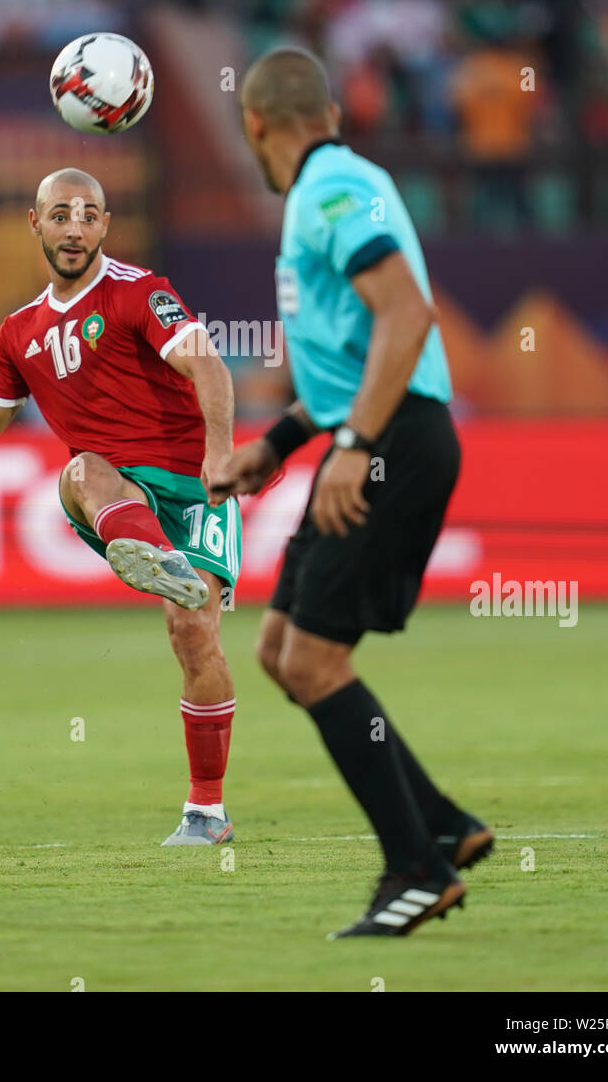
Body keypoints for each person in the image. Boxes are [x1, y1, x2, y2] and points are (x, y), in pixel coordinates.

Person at [0, 168, 240, 847]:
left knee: (193, 635)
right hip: (118, 488)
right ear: (35, 223)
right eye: (60, 214)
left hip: (192, 481)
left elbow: (208, 366)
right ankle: (158, 557)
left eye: (89, 215)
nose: (74, 228)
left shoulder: (139, 291)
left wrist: (221, 453)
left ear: (105, 226)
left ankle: (206, 812)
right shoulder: (18, 334)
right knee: (80, 470)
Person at [211, 49, 492, 937]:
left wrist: (357, 445)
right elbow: (351, 349)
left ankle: (416, 869)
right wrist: (282, 443)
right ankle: (444, 824)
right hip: (371, 436)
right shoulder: (340, 182)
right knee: (280, 646)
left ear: (255, 125)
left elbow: (408, 317)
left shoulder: (328, 193)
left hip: (393, 442)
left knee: (312, 664)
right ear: (329, 109)